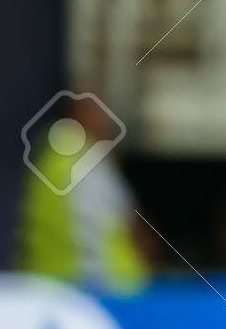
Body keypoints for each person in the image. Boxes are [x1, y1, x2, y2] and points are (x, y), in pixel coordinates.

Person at [19, 94, 152, 293]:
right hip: (106, 289)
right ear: (80, 115)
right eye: (100, 112)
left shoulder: (46, 160)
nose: (106, 120)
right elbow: (134, 228)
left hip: (44, 286)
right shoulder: (91, 161)